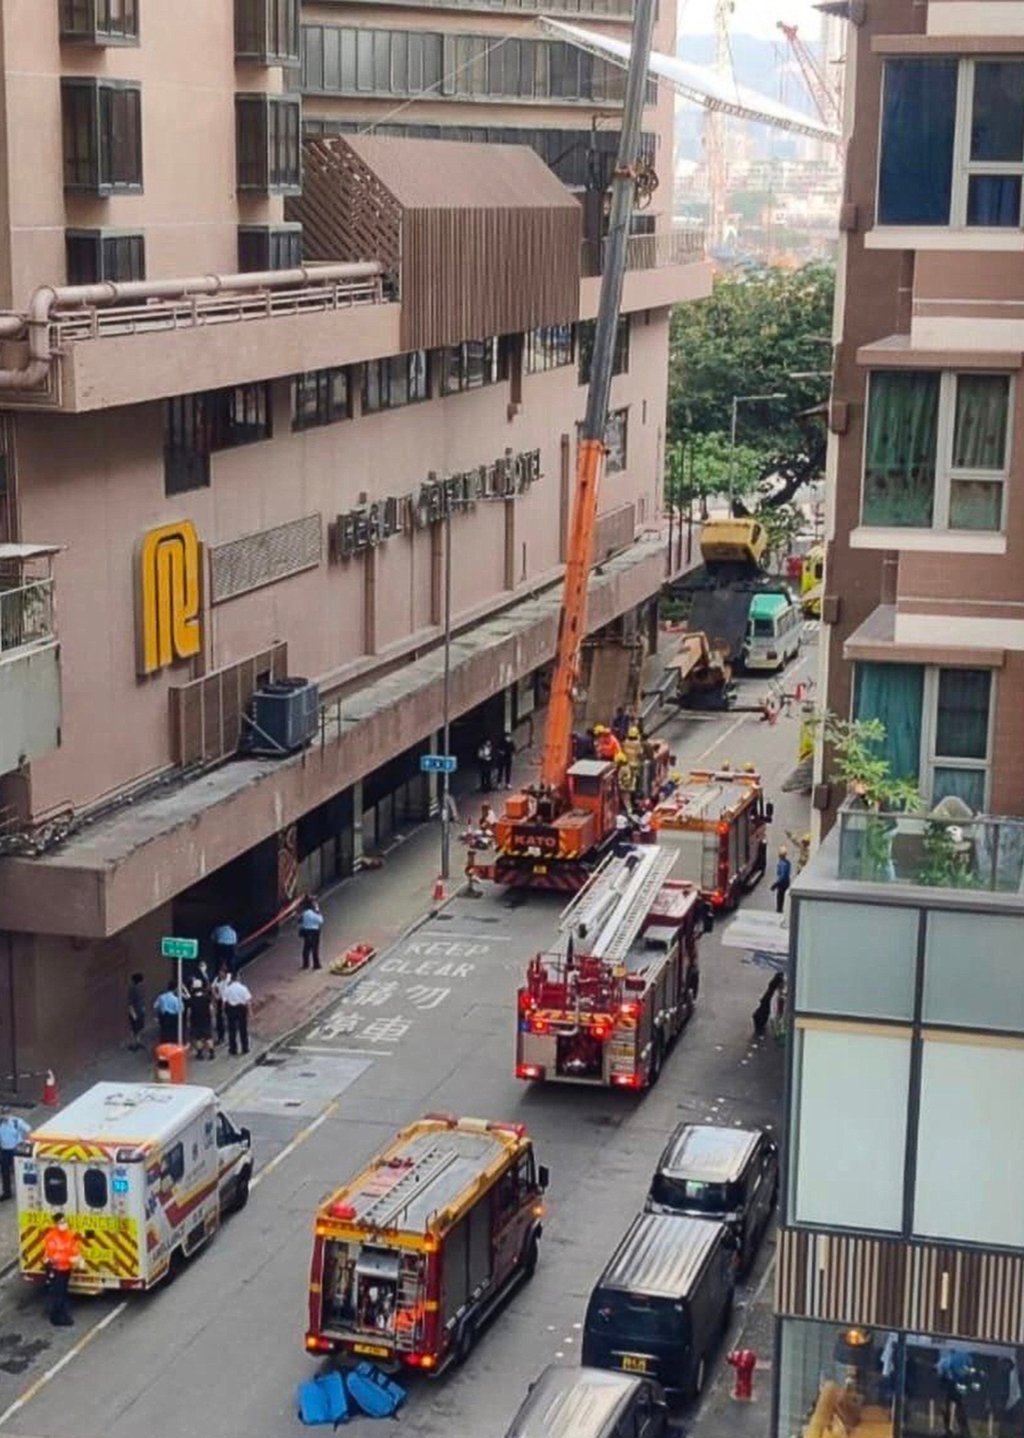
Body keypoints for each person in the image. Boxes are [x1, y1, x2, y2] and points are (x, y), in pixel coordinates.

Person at [42, 1213, 84, 1326]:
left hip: (66, 1269)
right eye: (61, 1222)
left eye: (65, 1221)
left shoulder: (68, 1234)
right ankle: (56, 1318)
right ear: (56, 1224)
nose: (64, 1224)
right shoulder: (51, 1238)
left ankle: (63, 1314)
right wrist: (69, 1259)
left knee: (63, 1293)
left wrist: (77, 1257)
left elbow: (73, 1247)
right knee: (57, 1294)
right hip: (56, 1270)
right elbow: (54, 1256)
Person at [0, 1108, 30, 1201]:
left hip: (16, 1150)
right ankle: (7, 1192)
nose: (4, 1116)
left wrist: (25, 1141)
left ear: (9, 1114)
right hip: (4, 1150)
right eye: (2, 1114)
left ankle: (24, 1192)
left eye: (5, 1113)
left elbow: (28, 1129)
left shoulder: (17, 1122)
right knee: (5, 1173)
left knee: (19, 1172)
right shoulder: (1, 1123)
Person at [223, 972, 252, 1057]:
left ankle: (233, 1049)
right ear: (238, 978)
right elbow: (248, 1001)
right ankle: (245, 1048)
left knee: (232, 1030)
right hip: (241, 1009)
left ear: (231, 979)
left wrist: (224, 1012)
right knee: (243, 1029)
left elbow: (224, 1002)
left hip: (231, 1009)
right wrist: (250, 1011)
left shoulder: (227, 989)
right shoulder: (243, 988)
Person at [188, 977, 214, 1061]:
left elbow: (189, 1012)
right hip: (206, 1019)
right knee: (208, 1037)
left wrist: (189, 1020)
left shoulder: (191, 1000)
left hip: (195, 1020)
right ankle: (211, 1053)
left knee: (198, 1038)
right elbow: (211, 1009)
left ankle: (200, 1054)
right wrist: (211, 1017)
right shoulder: (207, 998)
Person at [298, 896, 324, 972]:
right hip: (315, 932)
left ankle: (305, 964)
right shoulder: (313, 913)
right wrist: (318, 911)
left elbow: (300, 922)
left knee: (306, 948)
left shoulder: (304, 913)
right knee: (315, 948)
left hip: (306, 931)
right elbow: (321, 921)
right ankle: (316, 964)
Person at [211, 963, 229, 1047]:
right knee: (219, 1019)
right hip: (220, 999)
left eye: (222, 973)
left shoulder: (229, 978)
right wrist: (215, 995)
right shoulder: (217, 979)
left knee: (228, 1018)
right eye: (219, 973)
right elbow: (212, 987)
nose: (220, 974)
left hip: (228, 1000)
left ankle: (228, 1038)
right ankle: (220, 1037)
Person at [127, 971, 146, 1052]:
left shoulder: (138, 989)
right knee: (134, 1028)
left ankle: (138, 1042)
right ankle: (133, 1044)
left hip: (140, 1011)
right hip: (135, 1012)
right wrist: (133, 1013)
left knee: (139, 1028)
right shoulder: (133, 989)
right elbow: (130, 1003)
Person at [770, 846, 792, 914]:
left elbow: (782, 876)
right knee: (783, 898)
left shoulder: (782, 864)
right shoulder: (788, 862)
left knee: (780, 898)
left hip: (782, 883)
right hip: (786, 882)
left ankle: (779, 911)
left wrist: (775, 884)